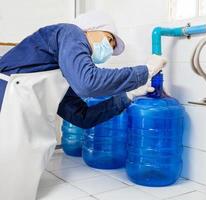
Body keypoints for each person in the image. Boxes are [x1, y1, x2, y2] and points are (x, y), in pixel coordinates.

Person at [0, 10, 166, 200]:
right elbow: (88, 83)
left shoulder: (61, 68)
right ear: (90, 29)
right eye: (109, 39)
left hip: (17, 104)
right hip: (6, 100)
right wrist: (145, 71)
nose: (110, 50)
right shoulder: (71, 32)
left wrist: (126, 95)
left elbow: (82, 116)